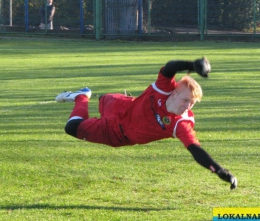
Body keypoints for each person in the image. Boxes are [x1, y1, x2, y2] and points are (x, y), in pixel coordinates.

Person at [55, 58, 237, 190]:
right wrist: (192, 65)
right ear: (174, 94)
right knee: (103, 99)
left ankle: (81, 97)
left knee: (72, 128)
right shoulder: (164, 88)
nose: (187, 106)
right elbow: (169, 67)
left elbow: (196, 150)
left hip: (116, 133)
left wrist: (220, 171)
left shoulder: (181, 123)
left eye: (192, 103)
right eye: (185, 100)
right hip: (121, 106)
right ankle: (88, 96)